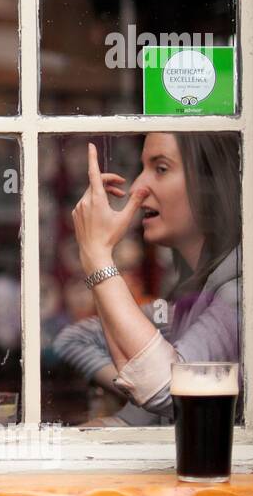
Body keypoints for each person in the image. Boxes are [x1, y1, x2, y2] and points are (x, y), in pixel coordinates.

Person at [53, 132, 241, 426]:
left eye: (161, 168)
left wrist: (98, 256)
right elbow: (79, 341)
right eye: (142, 168)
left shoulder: (238, 294)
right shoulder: (189, 300)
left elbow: (170, 391)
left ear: (212, 184)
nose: (137, 186)